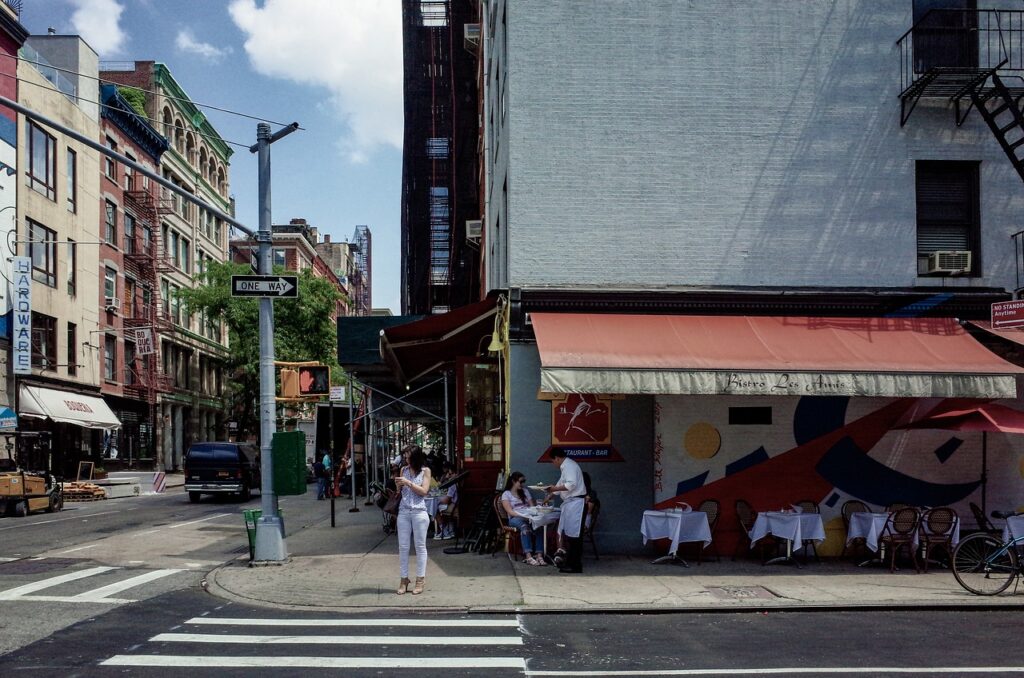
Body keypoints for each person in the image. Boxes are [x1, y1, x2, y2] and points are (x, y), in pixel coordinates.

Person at [395, 444, 432, 595]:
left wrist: (408, 483)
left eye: (407, 455)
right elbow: (400, 491)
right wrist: (398, 485)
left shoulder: (425, 471)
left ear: (415, 456)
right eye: (404, 455)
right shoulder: (403, 469)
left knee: (420, 547)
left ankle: (420, 581)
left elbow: (424, 491)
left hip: (419, 511)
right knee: (403, 547)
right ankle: (404, 580)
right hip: (404, 511)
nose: (405, 457)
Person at [544, 448, 587, 574]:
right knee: (570, 535)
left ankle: (575, 565)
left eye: (553, 461)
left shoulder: (569, 466)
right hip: (570, 504)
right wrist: (550, 494)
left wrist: (554, 488)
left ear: (557, 458)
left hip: (576, 504)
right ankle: (571, 563)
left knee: (575, 537)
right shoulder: (566, 467)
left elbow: (570, 485)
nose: (554, 464)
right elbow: (559, 485)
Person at [501, 471, 545, 566]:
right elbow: (510, 512)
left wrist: (532, 513)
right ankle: (528, 556)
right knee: (525, 527)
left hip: (528, 516)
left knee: (539, 526)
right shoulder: (506, 494)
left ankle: (539, 555)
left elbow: (532, 506)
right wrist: (523, 516)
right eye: (521, 482)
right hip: (515, 518)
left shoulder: (525, 491)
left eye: (523, 481)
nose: (522, 484)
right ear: (513, 481)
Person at [433, 462, 459, 540]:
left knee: (435, 509)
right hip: (455, 504)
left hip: (454, 506)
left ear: (455, 474)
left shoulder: (453, 484)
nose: (449, 475)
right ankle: (450, 530)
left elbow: (447, 500)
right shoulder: (456, 482)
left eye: (451, 474)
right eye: (448, 474)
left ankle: (444, 531)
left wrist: (438, 499)